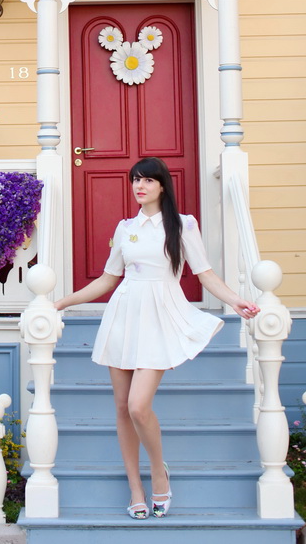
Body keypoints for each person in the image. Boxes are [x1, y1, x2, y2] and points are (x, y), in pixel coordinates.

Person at [54, 156, 260, 521]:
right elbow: (107, 280)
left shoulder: (182, 225)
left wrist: (236, 300)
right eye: (136, 180)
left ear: (163, 185)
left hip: (159, 314)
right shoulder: (124, 228)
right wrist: (60, 303)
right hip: (123, 315)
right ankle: (135, 487)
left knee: (138, 405)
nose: (140, 186)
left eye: (148, 180)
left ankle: (158, 473)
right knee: (121, 407)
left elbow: (206, 274)